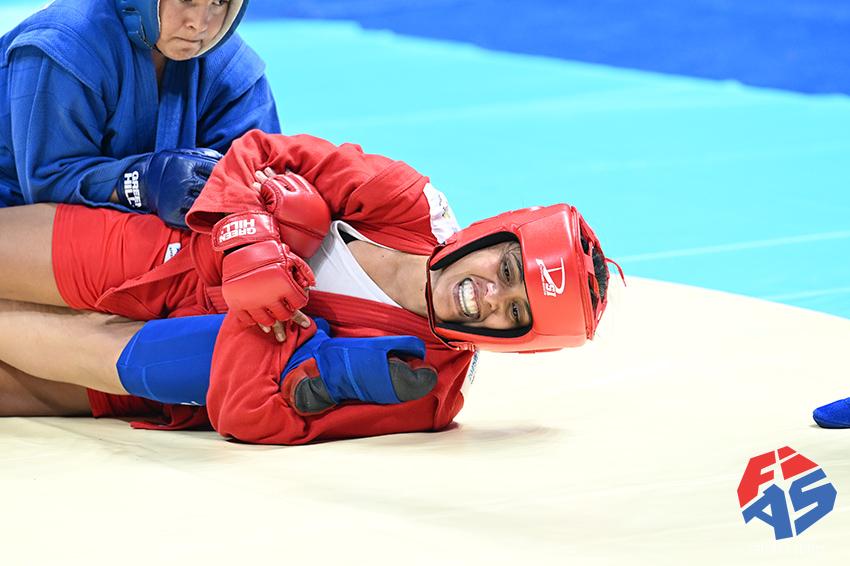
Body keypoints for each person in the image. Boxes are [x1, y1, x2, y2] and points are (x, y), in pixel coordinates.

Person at [0, 130, 614, 444]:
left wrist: (303, 349)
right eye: (506, 272)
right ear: (493, 235)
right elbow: (261, 153)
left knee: (196, 358)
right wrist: (248, 240)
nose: (489, 296)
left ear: (517, 341)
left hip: (143, 376)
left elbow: (253, 417)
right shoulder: (408, 203)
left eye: (514, 311)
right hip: (165, 255)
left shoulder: (428, 388)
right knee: (299, 214)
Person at [0, 0, 279, 227]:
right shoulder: (66, 45)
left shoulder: (233, 69)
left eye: (218, 2)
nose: (199, 23)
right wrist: (142, 182)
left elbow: (262, 178)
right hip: (18, 214)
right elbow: (48, 184)